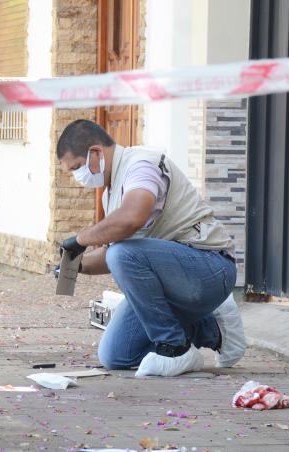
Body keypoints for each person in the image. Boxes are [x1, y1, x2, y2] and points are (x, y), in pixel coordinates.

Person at [57, 119, 245, 377]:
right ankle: (211, 329)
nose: (78, 177)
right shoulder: (109, 193)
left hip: (210, 268)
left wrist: (81, 239)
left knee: (122, 254)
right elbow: (114, 254)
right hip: (173, 282)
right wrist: (75, 265)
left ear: (96, 152)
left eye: (77, 167)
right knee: (114, 355)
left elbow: (132, 218)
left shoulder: (141, 165)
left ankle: (175, 348)